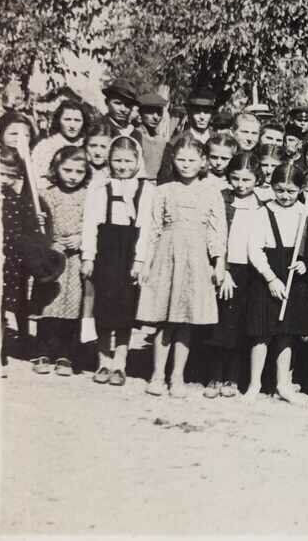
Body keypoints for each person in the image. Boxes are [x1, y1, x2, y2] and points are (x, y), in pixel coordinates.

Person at [135, 137, 227, 397]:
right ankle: (157, 374)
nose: (186, 165)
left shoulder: (211, 192)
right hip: (167, 256)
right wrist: (145, 263)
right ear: (173, 161)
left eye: (192, 160)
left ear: (203, 162)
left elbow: (217, 231)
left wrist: (219, 262)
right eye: (181, 159)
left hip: (197, 258)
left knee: (186, 319)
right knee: (165, 319)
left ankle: (177, 376)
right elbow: (153, 229)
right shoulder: (163, 191)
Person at [246, 163, 308, 402]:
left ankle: (283, 385)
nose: (285, 196)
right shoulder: (262, 212)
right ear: (272, 187)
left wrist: (305, 265)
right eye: (280, 190)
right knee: (261, 333)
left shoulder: (306, 213)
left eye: (291, 191)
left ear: (300, 189)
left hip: (294, 277)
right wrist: (270, 278)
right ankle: (254, 384)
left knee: (287, 334)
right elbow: (254, 249)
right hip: (267, 276)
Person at [81, 137, 151, 386]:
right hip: (106, 253)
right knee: (103, 309)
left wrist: (140, 261)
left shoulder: (145, 190)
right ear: (109, 161)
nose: (122, 166)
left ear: (137, 161)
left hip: (130, 254)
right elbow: (90, 224)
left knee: (125, 310)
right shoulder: (99, 187)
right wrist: (88, 256)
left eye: (128, 161)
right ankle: (103, 360)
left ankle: (120, 362)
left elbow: (146, 228)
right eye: (117, 160)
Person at [29, 145, 91, 377]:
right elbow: (40, 226)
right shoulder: (48, 194)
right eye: (67, 170)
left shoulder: (88, 195)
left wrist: (81, 237)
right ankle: (43, 351)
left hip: (76, 258)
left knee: (72, 306)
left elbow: (92, 222)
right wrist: (51, 242)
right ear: (57, 169)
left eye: (79, 171)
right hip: (53, 258)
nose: (73, 176)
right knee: (49, 304)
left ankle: (66, 354)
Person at [204, 151, 260, 399]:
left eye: (247, 179)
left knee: (240, 326)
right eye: (236, 178)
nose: (241, 184)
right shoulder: (222, 200)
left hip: (250, 271)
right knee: (220, 325)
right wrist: (223, 269)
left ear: (257, 179)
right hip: (226, 269)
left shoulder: (260, 205)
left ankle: (233, 378)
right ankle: (214, 376)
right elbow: (216, 236)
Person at [0, 143, 50, 370]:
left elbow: (26, 223)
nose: (4, 179)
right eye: (0, 173)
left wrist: (36, 219)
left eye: (10, 176)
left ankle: (2, 347)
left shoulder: (15, 198)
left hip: (11, 258)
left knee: (6, 303)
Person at [31, 95, 89, 177]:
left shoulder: (88, 145)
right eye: (67, 119)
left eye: (77, 120)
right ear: (58, 121)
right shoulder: (45, 146)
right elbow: (37, 176)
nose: (72, 125)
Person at [136, 89, 169, 178]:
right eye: (150, 111)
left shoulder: (161, 141)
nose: (156, 117)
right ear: (141, 113)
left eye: (159, 112)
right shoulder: (135, 136)